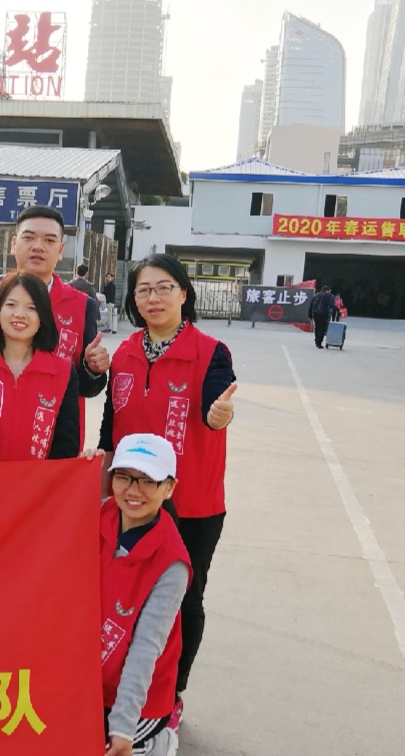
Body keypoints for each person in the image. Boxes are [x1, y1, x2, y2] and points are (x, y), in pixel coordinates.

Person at [98, 253, 237, 732]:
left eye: (162, 288)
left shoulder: (210, 351)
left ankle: (172, 693)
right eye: (143, 290)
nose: (152, 298)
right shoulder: (125, 353)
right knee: (119, 597)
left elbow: (214, 403)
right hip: (129, 500)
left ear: (183, 293)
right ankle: (115, 688)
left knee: (184, 600)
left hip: (191, 504)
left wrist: (217, 415)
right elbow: (110, 425)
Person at [0, 205, 110, 445]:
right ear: (14, 244)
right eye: (29, 237)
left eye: (49, 240)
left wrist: (93, 369)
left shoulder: (82, 306)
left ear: (61, 250)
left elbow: (85, 388)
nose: (38, 246)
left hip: (53, 446)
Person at [98, 434, 190, 756]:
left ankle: (158, 741)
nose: (133, 490)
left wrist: (122, 727)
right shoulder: (96, 516)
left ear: (169, 488)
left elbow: (145, 650)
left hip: (139, 699)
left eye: (148, 481)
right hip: (89, 679)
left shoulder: (171, 564)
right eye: (124, 477)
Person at [0, 273, 79, 460]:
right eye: (11, 305)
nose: (19, 314)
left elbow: (66, 443)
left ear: (43, 316)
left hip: (36, 486)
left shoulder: (64, 372)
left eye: (32, 308)